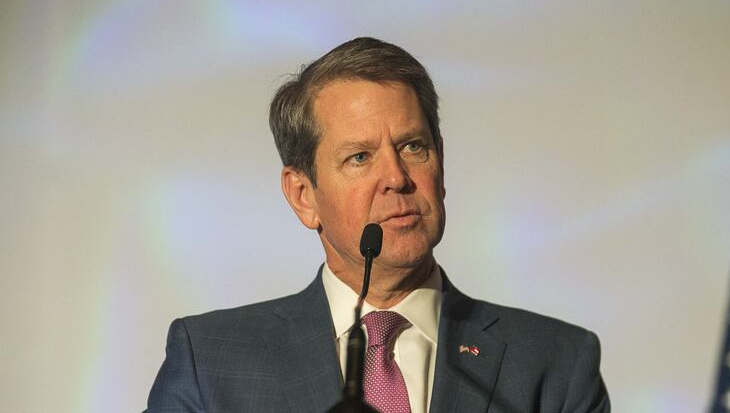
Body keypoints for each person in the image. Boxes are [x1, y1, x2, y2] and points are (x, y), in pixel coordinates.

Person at [146, 37, 610, 413]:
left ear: (441, 166)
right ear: (304, 196)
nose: (396, 178)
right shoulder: (211, 362)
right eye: (360, 157)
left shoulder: (555, 363)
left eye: (412, 147)